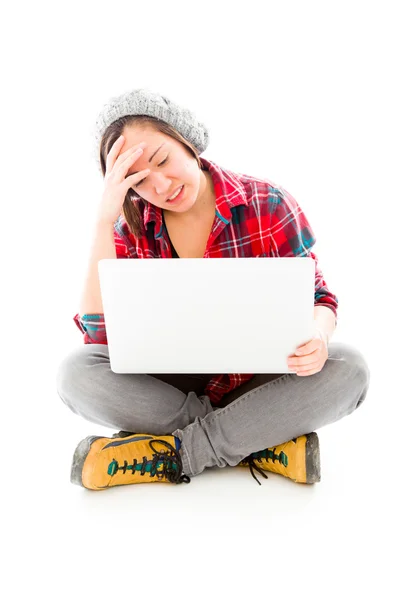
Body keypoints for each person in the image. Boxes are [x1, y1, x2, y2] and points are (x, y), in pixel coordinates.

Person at [56, 88, 370, 491]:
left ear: (185, 140)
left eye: (162, 160)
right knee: (74, 374)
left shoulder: (267, 203)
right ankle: (258, 441)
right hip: (170, 389)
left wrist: (318, 335)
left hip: (257, 378)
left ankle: (172, 455)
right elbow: (98, 341)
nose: (161, 185)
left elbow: (320, 300)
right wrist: (103, 222)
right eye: (140, 182)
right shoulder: (129, 231)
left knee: (350, 368)